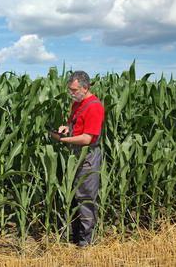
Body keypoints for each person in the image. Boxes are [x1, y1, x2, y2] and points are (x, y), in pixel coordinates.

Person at [49, 70, 104, 247]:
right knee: (72, 197)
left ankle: (87, 242)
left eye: (74, 90)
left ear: (85, 88)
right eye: (70, 90)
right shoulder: (78, 104)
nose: (71, 93)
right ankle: (71, 237)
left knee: (85, 199)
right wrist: (65, 128)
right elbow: (76, 126)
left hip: (87, 157)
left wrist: (63, 139)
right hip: (74, 156)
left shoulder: (94, 106)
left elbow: (87, 138)